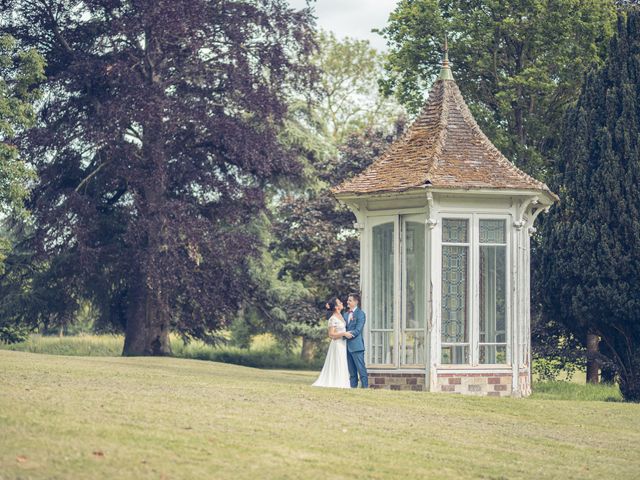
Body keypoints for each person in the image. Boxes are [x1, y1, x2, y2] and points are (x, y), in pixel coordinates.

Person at [312, 297, 351, 388]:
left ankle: (343, 382)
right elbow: (331, 334)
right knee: (338, 362)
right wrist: (344, 333)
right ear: (337, 307)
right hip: (337, 344)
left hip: (343, 344)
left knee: (342, 362)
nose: (342, 303)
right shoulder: (332, 319)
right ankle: (336, 382)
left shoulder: (341, 316)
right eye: (340, 302)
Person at [343, 293, 368, 388]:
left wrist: (345, 335)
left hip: (357, 347)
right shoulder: (345, 314)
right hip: (346, 347)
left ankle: (366, 388)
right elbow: (342, 329)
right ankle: (353, 389)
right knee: (352, 372)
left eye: (350, 300)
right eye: (348, 300)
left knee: (361, 370)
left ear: (356, 302)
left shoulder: (361, 314)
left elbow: (358, 330)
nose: (348, 302)